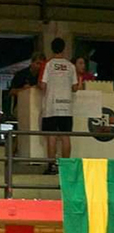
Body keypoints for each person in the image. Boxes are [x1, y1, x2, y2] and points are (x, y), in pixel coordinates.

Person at [40, 38, 78, 175]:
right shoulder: (71, 66)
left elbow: (42, 85)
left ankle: (51, 166)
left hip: (51, 105)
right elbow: (75, 87)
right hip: (67, 106)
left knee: (52, 136)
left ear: (51, 48)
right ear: (64, 48)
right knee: (65, 136)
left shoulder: (48, 65)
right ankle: (66, 168)